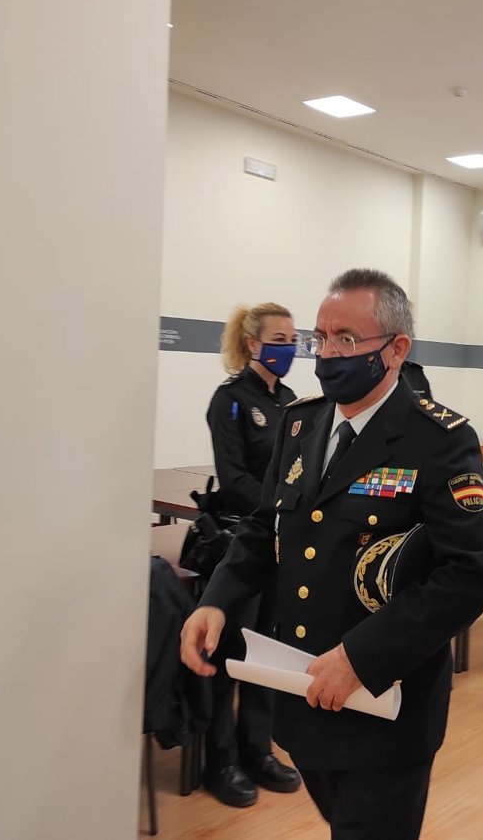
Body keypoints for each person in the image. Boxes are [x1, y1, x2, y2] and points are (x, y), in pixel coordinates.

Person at [181, 268, 483, 840]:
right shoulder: (300, 423)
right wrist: (217, 599)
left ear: (396, 349)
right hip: (303, 692)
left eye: (347, 339)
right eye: (321, 337)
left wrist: (361, 657)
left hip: (382, 701)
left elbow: (469, 574)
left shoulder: (438, 439)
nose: (327, 354)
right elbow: (264, 527)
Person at [200, 302, 303, 806]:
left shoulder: (291, 401)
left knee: (267, 652)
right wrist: (278, 508)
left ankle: (258, 750)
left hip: (283, 544)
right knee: (229, 656)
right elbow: (233, 477)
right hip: (242, 541)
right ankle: (220, 760)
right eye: (279, 340)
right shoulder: (230, 401)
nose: (289, 348)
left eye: (293, 340)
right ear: (252, 344)